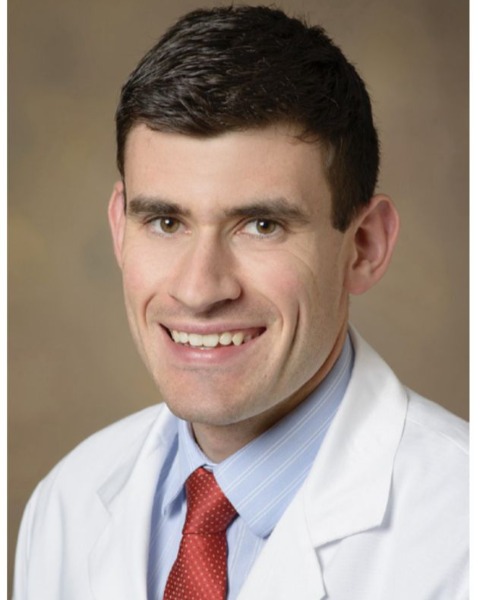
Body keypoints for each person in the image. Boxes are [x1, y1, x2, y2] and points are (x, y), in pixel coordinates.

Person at [12, 6, 468, 600]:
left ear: (364, 246)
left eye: (261, 225)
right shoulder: (66, 504)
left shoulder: (461, 534)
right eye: (166, 221)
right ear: (120, 229)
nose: (199, 290)